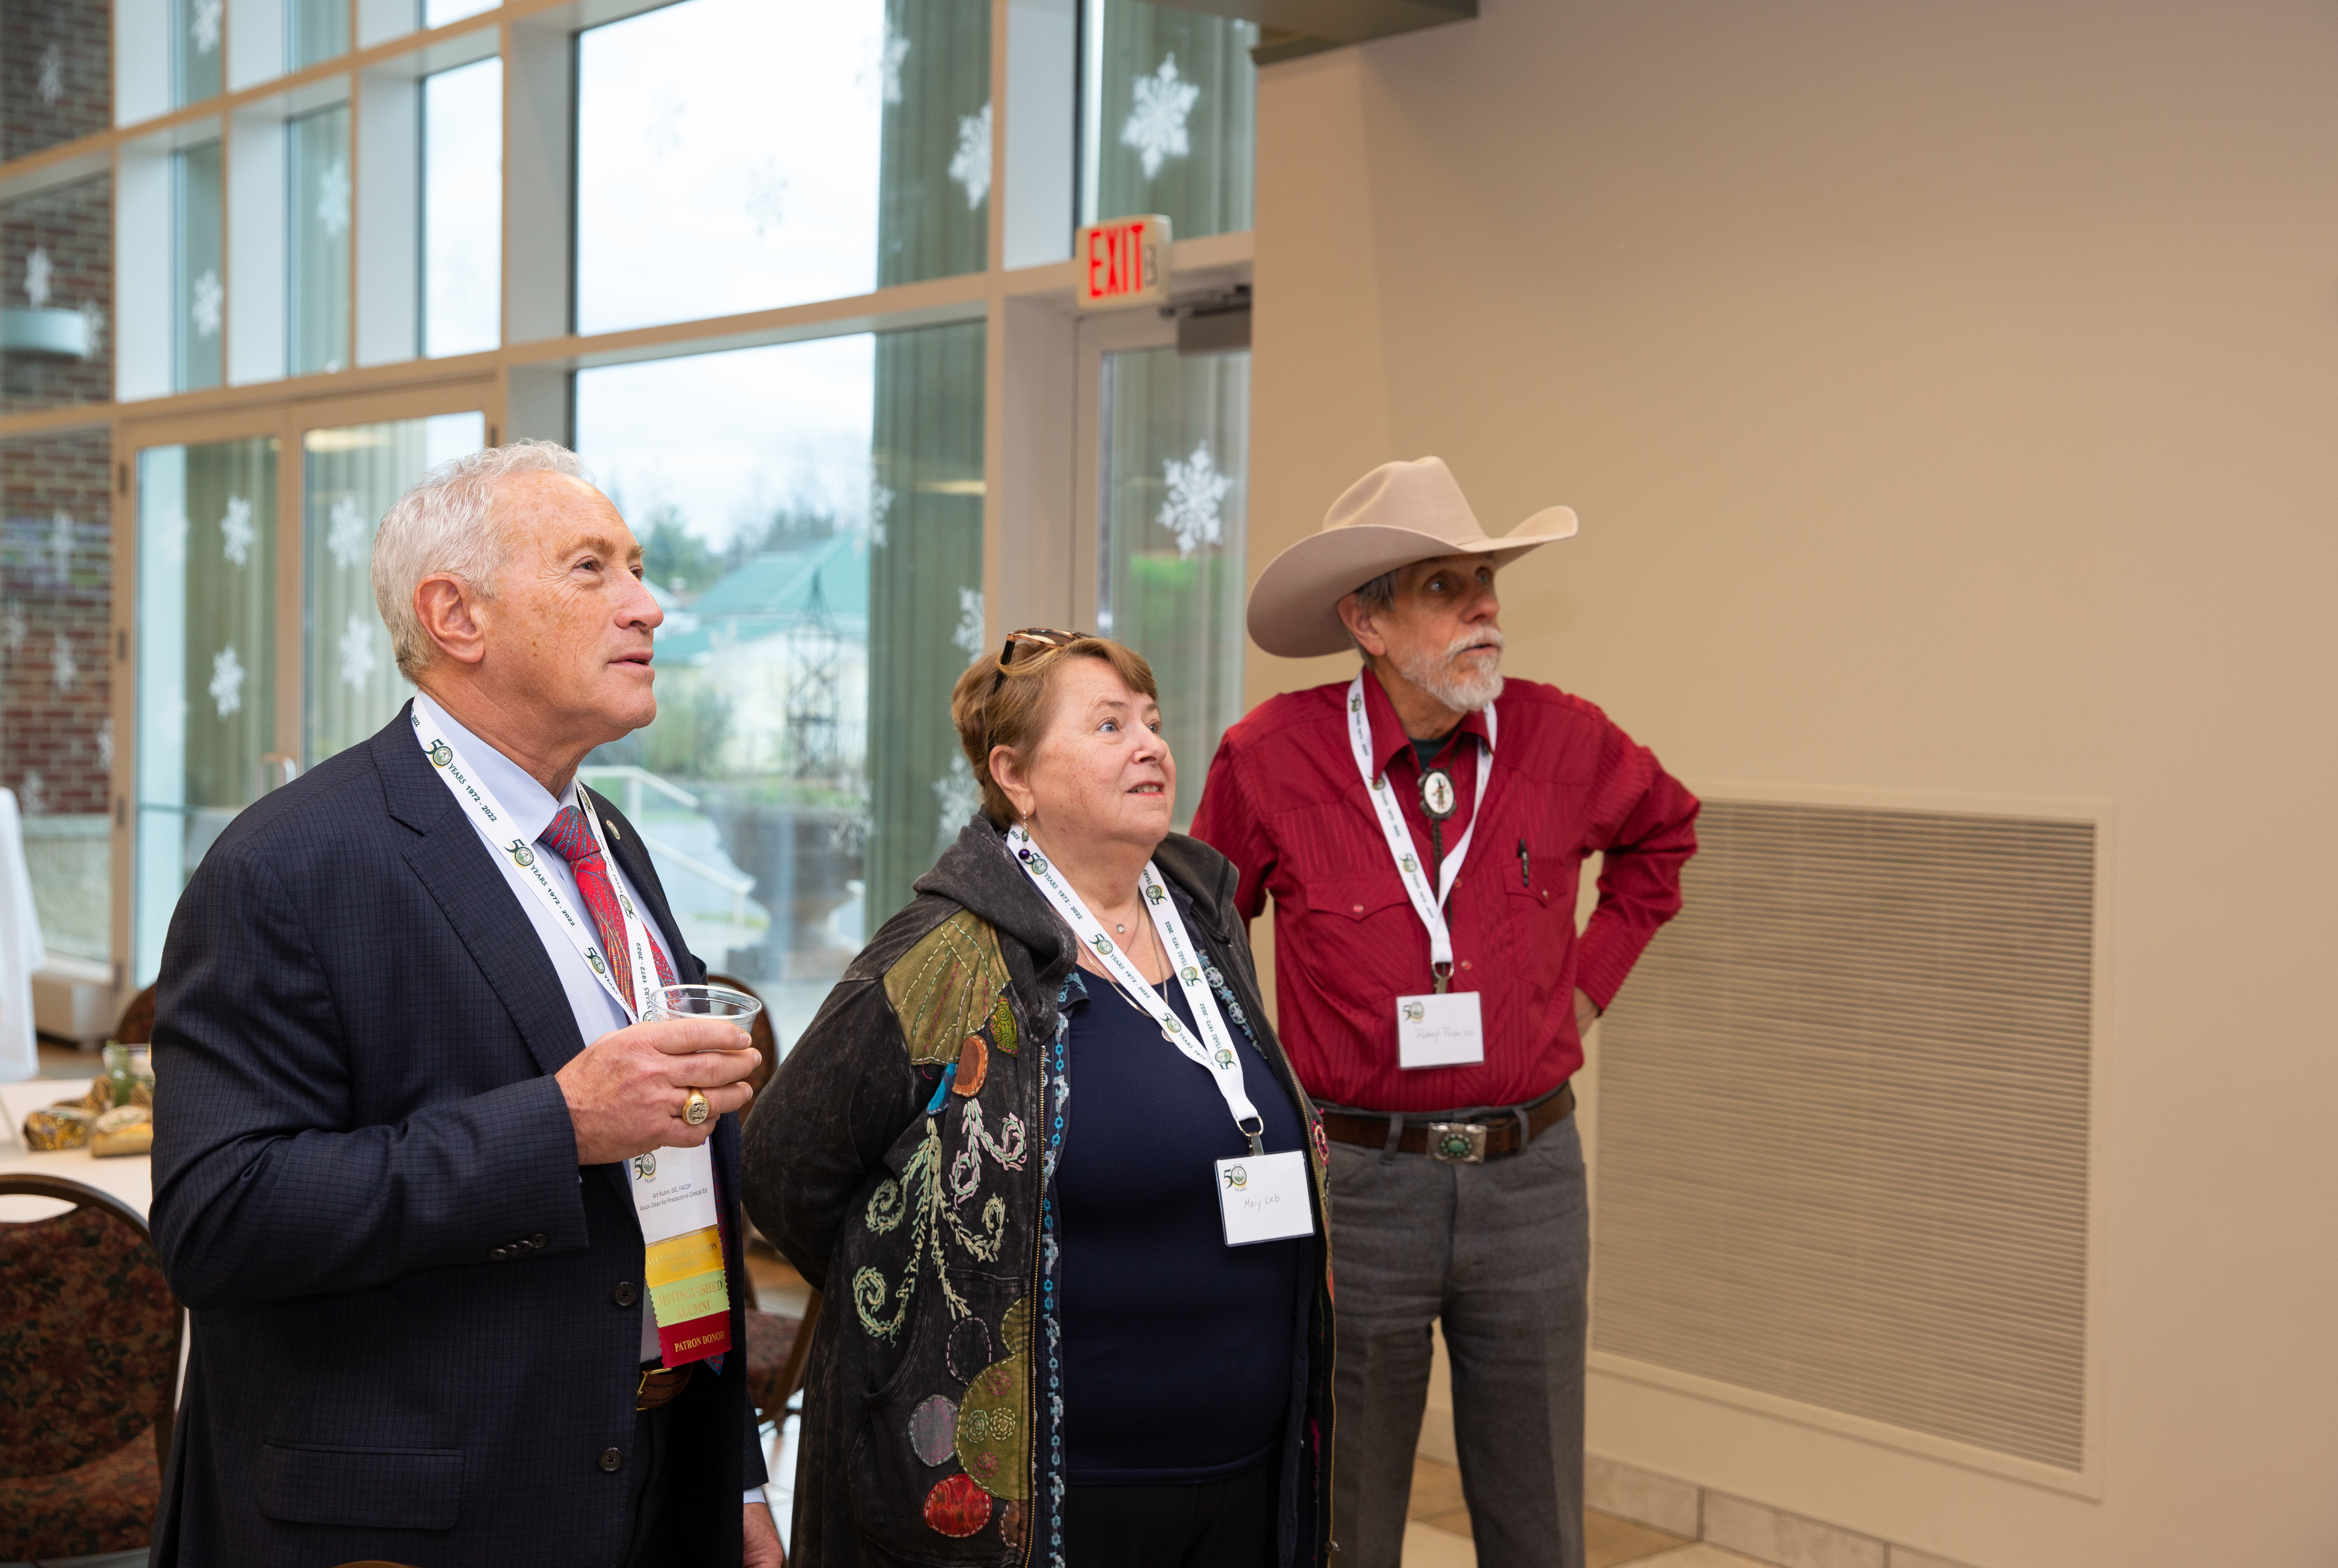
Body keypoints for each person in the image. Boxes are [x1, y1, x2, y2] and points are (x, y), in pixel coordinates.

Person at [146, 442, 783, 1568]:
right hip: (416, 1518)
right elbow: (221, 1220)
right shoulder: (290, 866)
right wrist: (563, 1124)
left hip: (646, 1472)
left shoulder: (607, 841)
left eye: (635, 568)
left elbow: (674, 1181)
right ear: (456, 615)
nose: (648, 607)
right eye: (593, 569)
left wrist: (728, 1469)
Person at [1189, 457, 1700, 1568]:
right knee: (1347, 1509)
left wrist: (1580, 986)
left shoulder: (1563, 739)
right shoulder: (1270, 758)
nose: (1483, 607)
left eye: (1484, 580)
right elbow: (1196, 947)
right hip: (1358, 1185)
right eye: (1442, 586)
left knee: (1536, 1510)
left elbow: (1662, 839)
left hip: (1530, 1180)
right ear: (1364, 621)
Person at [743, 631, 1334, 1568]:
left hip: (1243, 1473)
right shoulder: (946, 952)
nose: (1149, 743)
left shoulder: (1201, 917)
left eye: (1150, 720)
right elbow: (784, 1165)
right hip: (1047, 1501)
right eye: (1108, 725)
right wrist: (914, 1298)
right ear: (1015, 774)